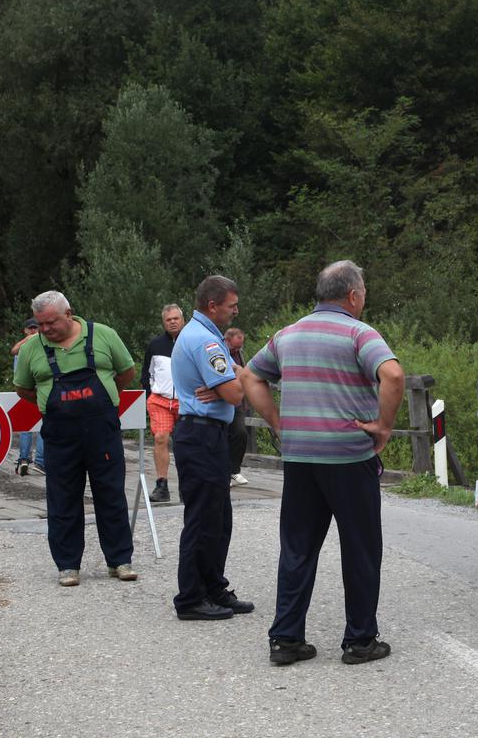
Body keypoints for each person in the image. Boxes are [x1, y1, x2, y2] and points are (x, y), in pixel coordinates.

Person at [241, 260, 404, 666]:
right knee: (361, 547)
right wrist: (383, 427)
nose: (364, 300)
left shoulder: (287, 335)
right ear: (352, 295)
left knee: (297, 547)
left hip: (300, 457)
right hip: (349, 456)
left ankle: (286, 638)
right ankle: (360, 641)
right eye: (363, 293)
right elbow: (394, 376)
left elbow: (250, 377)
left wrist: (279, 424)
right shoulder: (358, 333)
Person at [13, 291, 139, 587]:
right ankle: (68, 565)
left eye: (50, 323)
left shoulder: (104, 335)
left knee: (110, 494)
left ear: (68, 314)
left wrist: (105, 398)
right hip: (60, 434)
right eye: (40, 324)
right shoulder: (33, 348)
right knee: (63, 499)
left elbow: (126, 372)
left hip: (102, 431)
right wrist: (51, 404)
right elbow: (23, 389)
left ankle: (120, 561)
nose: (45, 329)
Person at [170, 276, 254, 621]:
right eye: (232, 306)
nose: (236, 311)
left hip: (208, 434)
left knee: (219, 519)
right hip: (202, 434)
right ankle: (191, 597)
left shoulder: (204, 336)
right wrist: (233, 382)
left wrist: (231, 378)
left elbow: (231, 386)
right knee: (203, 518)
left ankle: (213, 587)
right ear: (213, 305)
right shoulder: (205, 341)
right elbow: (235, 394)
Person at [141, 304, 185, 502]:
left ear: (183, 320)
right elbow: (146, 373)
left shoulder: (190, 342)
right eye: (169, 319)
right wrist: (151, 394)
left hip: (186, 401)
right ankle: (162, 485)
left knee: (186, 443)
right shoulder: (155, 345)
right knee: (160, 438)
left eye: (176, 318)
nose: (173, 322)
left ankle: (187, 485)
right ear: (163, 322)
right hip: (160, 400)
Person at [10, 318, 45, 475]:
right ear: (25, 330)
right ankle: (37, 461)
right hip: (31, 390)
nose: (33, 330)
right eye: (30, 328)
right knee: (35, 426)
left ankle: (26, 460)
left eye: (35, 328)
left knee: (31, 427)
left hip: (27, 390)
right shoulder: (28, 346)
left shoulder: (25, 347)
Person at [224, 327, 250, 486]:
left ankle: (234, 470)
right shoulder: (220, 352)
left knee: (241, 434)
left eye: (240, 347)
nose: (237, 349)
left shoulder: (240, 354)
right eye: (235, 347)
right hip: (223, 399)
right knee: (224, 436)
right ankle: (225, 472)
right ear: (227, 341)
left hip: (238, 401)